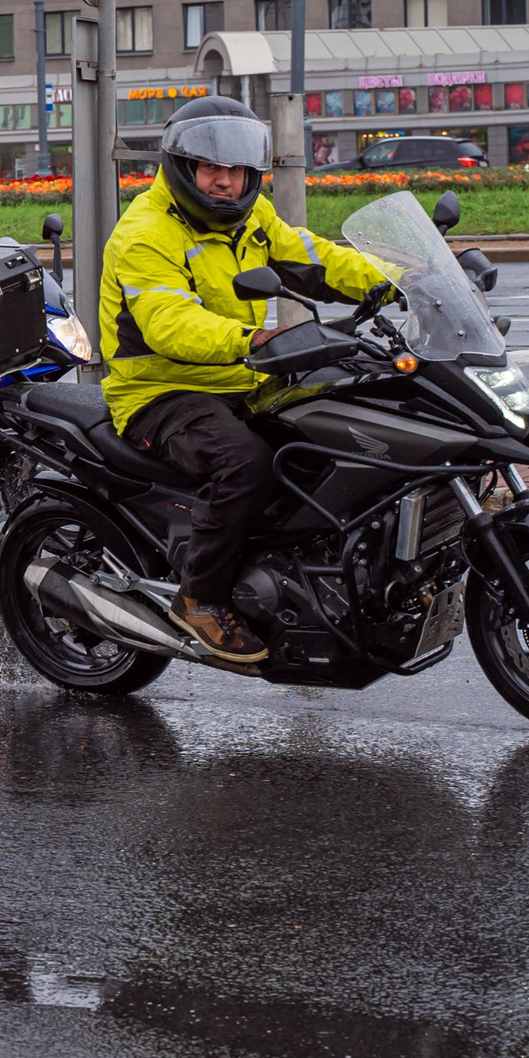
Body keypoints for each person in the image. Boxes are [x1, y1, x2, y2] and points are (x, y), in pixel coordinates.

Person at [100, 97, 389, 664]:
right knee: (245, 463)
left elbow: (315, 258)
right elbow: (168, 322)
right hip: (161, 391)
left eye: (236, 172)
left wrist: (400, 281)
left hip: (242, 378)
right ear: (183, 168)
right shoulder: (145, 233)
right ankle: (200, 598)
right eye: (213, 170)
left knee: (330, 424)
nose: (226, 183)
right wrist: (249, 341)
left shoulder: (253, 220)